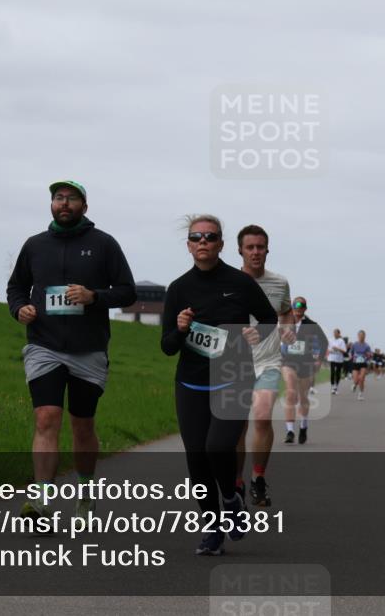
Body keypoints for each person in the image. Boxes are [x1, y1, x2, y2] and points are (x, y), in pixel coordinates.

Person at [6, 180, 136, 520]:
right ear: (51, 205)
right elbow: (16, 287)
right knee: (46, 418)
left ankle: (86, 492)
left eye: (71, 199)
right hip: (43, 344)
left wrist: (94, 297)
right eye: (58, 198)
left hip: (88, 349)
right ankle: (41, 501)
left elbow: (126, 291)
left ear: (84, 206)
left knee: (82, 425)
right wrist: (19, 308)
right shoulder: (35, 246)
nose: (64, 204)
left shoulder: (103, 244)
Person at [161, 215, 278, 556]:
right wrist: (181, 329)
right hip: (191, 383)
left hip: (233, 378)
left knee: (218, 448)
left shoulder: (238, 283)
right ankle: (212, 529)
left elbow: (269, 317)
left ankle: (231, 497)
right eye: (196, 237)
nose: (203, 242)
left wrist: (260, 332)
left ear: (221, 244)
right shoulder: (179, 289)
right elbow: (167, 346)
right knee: (197, 462)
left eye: (210, 237)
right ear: (188, 245)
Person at [233, 225, 294, 508]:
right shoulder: (227, 281)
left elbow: (285, 311)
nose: (256, 252)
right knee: (236, 426)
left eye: (260, 247)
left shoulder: (279, 283)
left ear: (268, 249)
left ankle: (258, 477)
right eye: (250, 247)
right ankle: (236, 482)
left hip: (268, 360)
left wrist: (289, 329)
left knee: (262, 416)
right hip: (234, 363)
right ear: (240, 251)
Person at [281, 298, 328, 445]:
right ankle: (290, 431)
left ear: (305, 309)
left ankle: (303, 426)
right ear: (292, 307)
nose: (298, 308)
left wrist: (319, 359)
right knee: (290, 392)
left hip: (306, 364)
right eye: (296, 305)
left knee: (303, 397)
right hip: (288, 362)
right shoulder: (285, 324)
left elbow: (324, 342)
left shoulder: (312, 326)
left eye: (301, 306)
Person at [349, 330, 374, 400]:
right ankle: (354, 385)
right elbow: (351, 353)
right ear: (358, 336)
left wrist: (369, 355)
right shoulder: (354, 344)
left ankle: (360, 394)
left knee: (362, 379)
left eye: (362, 335)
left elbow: (370, 354)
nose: (361, 337)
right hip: (355, 363)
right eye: (360, 335)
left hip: (363, 363)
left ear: (364, 336)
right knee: (355, 379)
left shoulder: (367, 346)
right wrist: (351, 356)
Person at [326, 328, 348, 395]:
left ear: (339, 334)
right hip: (332, 358)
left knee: (338, 373)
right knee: (332, 372)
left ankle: (336, 386)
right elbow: (328, 348)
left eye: (336, 333)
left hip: (339, 359)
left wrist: (337, 348)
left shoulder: (341, 341)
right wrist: (330, 350)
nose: (335, 334)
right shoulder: (330, 340)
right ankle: (332, 387)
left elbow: (344, 351)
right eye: (334, 332)